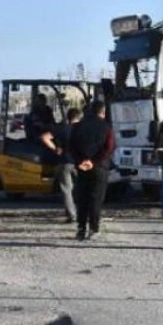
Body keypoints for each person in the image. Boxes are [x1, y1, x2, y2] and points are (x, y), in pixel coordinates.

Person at [70, 101, 115, 241]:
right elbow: (109, 147)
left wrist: (80, 161)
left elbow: (71, 145)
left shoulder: (78, 126)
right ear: (103, 112)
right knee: (96, 198)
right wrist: (93, 161)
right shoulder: (106, 127)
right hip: (99, 167)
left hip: (82, 166)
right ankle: (93, 228)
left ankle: (81, 228)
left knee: (82, 198)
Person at [41, 108, 82, 223]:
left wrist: (55, 149)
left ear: (68, 117)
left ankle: (72, 215)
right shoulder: (82, 130)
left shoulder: (61, 129)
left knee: (67, 190)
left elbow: (44, 137)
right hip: (80, 163)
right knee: (84, 188)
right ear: (79, 117)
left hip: (63, 162)